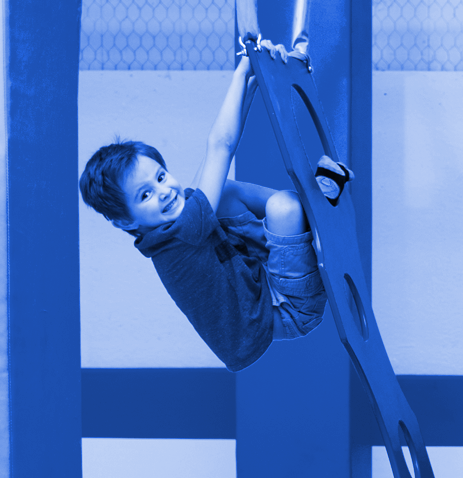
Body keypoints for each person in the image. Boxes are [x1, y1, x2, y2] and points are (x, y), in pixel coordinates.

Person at [79, 41, 352, 372]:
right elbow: (221, 146)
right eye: (145, 195)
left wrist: (257, 77)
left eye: (161, 177)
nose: (164, 192)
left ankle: (307, 213)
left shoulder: (165, 233)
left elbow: (220, 152)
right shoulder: (178, 237)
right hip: (289, 310)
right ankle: (309, 209)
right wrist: (242, 70)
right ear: (125, 222)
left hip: (257, 282)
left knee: (218, 192)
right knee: (283, 209)